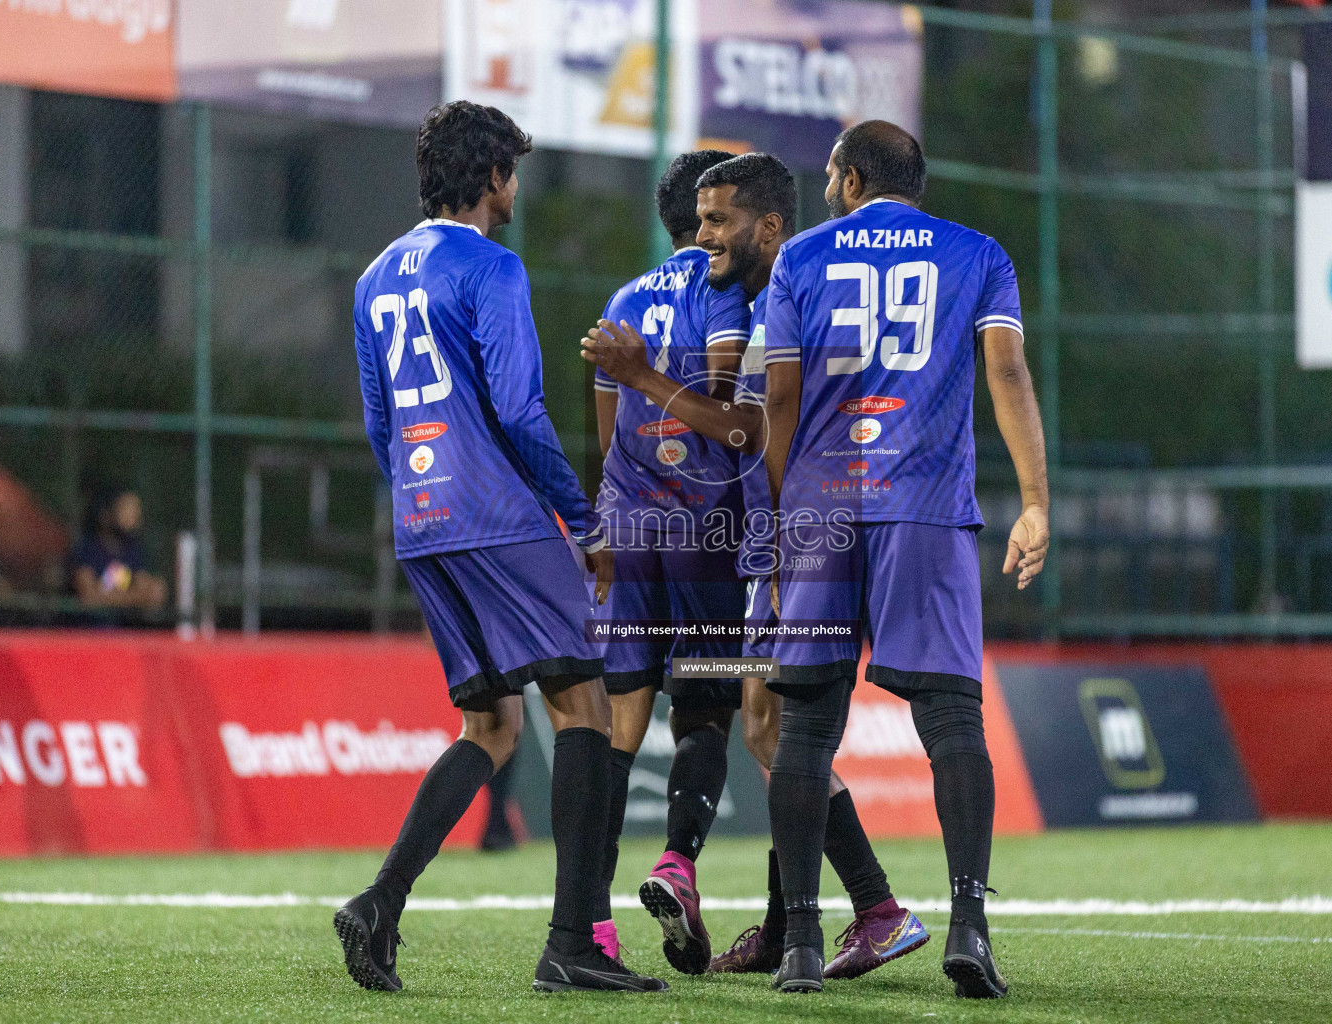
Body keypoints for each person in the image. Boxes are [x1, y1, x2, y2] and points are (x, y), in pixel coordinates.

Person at [338, 100, 664, 995]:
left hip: (422, 520)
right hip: (496, 514)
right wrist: (585, 519)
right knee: (584, 709)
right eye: (511, 171)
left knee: (491, 724)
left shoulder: (373, 278)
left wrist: (421, 497)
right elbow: (519, 411)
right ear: (491, 178)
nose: (515, 186)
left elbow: (379, 424)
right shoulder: (491, 266)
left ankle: (379, 903)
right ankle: (572, 944)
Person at [581, 153, 927, 982]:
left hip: (793, 540)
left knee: (771, 729)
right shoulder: (774, 287)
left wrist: (641, 382)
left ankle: (871, 911)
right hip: (786, 537)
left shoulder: (774, 292)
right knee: (773, 728)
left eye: (720, 220)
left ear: (764, 225)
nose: (708, 235)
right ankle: (793, 926)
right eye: (699, 219)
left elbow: (752, 428)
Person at [759, 121, 1050, 997]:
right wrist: (1034, 503)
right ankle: (969, 927)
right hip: (924, 506)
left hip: (821, 506)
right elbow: (1007, 375)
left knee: (808, 726)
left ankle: (804, 946)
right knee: (954, 721)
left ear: (849, 180)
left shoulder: (800, 258)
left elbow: (778, 391)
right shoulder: (977, 254)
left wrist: (781, 515)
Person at [582, 148, 754, 975]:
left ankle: (591, 919)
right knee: (707, 708)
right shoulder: (718, 289)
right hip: (704, 523)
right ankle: (677, 866)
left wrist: (606, 527)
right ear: (710, 213)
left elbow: (607, 433)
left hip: (628, 521)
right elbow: (724, 406)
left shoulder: (622, 299)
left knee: (620, 723)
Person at [69, 488, 168, 620]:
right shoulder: (86, 550)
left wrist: (105, 595)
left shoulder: (133, 551)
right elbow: (89, 598)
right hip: (87, 635)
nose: (135, 517)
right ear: (105, 514)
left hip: (125, 636)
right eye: (126, 509)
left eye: (136, 510)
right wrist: (135, 596)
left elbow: (150, 594)